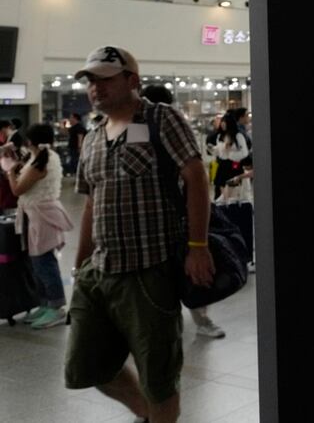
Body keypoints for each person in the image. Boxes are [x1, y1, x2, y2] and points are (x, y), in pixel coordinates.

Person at [65, 46, 214, 423]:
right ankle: (148, 414)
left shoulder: (160, 118)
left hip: (149, 270)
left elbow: (195, 176)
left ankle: (156, 413)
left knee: (159, 377)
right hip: (98, 272)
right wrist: (80, 266)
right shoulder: (94, 136)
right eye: (91, 81)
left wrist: (198, 246)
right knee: (91, 366)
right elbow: (90, 203)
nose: (95, 88)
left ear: (132, 80)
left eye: (105, 79)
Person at [142, 83, 227, 340]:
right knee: (183, 273)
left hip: (170, 211)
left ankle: (196, 320)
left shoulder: (168, 123)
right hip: (171, 210)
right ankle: (199, 320)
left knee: (187, 269)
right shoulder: (140, 126)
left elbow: (194, 175)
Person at [4, 123, 75, 329]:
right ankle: (45, 303)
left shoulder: (42, 161)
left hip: (41, 216)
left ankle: (56, 307)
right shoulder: (41, 157)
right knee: (37, 263)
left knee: (44, 263)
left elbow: (17, 189)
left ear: (29, 141)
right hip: (34, 214)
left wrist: (10, 172)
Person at [213, 112, 249, 198]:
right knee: (221, 190)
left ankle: (230, 206)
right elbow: (219, 151)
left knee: (233, 191)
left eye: (225, 123)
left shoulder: (238, 136)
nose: (223, 125)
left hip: (234, 165)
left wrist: (230, 154)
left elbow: (244, 153)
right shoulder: (220, 136)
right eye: (222, 123)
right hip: (222, 165)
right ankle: (223, 207)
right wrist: (215, 150)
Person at [0, 120, 17, 211]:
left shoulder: (7, 139)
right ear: (3, 128)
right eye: (9, 128)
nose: (10, 130)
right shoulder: (3, 141)